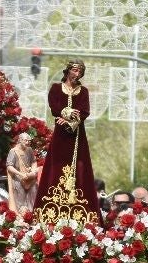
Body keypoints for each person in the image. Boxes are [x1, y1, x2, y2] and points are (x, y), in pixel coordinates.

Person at [34, 60, 101, 226]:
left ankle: (80, 211)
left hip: (77, 135)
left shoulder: (83, 91)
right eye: (74, 70)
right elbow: (54, 106)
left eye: (79, 71)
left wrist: (71, 122)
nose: (76, 74)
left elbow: (85, 111)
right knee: (56, 167)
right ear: (68, 71)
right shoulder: (57, 89)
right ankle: (50, 212)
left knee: (80, 167)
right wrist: (66, 114)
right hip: (60, 136)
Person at [5, 132, 38, 215]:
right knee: (21, 200)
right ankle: (21, 217)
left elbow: (34, 162)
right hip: (18, 179)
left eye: (29, 141)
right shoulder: (13, 151)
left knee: (34, 194)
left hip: (30, 178)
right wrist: (20, 174)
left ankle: (32, 214)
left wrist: (33, 171)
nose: (28, 143)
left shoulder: (29, 149)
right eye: (26, 141)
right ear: (20, 140)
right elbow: (9, 167)